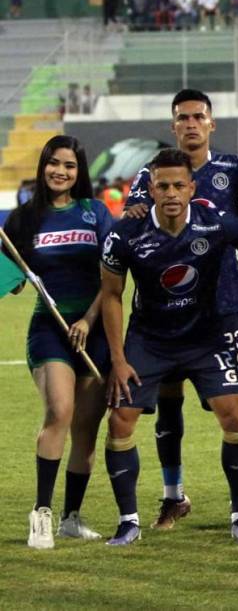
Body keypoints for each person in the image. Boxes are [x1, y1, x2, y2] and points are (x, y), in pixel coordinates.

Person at [99, 149, 238, 546]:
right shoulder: (124, 235)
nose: (170, 193)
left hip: (206, 337)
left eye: (178, 185)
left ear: (191, 188)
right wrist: (117, 359)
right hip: (149, 340)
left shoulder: (214, 223)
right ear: (149, 189)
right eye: (162, 185)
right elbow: (112, 296)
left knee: (235, 417)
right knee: (119, 422)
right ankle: (128, 521)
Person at [123, 89, 238, 532]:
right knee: (168, 403)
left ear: (211, 124)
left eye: (199, 116)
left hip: (223, 308)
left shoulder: (233, 169)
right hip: (165, 314)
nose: (191, 124)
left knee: (234, 408)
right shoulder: (148, 176)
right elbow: (133, 224)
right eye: (183, 117)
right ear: (173, 125)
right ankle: (171, 496)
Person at [3, 136, 113, 549]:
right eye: (53, 163)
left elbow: (112, 277)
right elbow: (11, 278)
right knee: (60, 412)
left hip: (95, 329)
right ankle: (42, 514)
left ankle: (71, 517)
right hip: (49, 329)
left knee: (86, 429)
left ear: (79, 171)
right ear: (43, 166)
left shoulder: (95, 213)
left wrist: (88, 319)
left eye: (68, 165)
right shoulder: (23, 220)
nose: (60, 171)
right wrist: (12, 276)